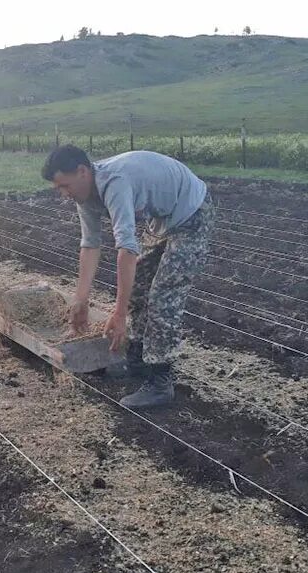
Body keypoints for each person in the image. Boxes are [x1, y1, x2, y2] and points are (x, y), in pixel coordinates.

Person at [41, 145, 214, 408]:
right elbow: (90, 245)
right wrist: (80, 300)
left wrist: (119, 314)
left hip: (192, 213)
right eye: (59, 189)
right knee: (138, 289)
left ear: (82, 171)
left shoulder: (115, 183)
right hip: (164, 220)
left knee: (163, 296)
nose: (64, 194)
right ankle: (136, 360)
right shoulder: (84, 196)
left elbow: (127, 250)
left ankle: (160, 381)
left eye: (65, 186)